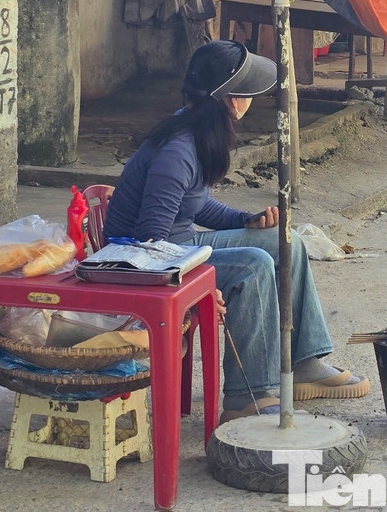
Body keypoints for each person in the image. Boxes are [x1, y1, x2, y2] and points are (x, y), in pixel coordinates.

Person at [103, 39, 369, 423]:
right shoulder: (178, 152)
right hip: (143, 261)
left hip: (176, 246)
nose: (251, 99)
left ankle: (303, 361)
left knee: (284, 244)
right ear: (230, 99)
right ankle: (247, 395)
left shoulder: (197, 129)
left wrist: (244, 220)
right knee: (252, 265)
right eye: (245, 91)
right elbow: (150, 244)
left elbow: (195, 207)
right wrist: (198, 284)